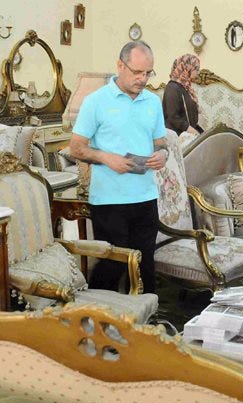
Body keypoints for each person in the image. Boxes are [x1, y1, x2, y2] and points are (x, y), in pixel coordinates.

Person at [69, 41, 167, 294]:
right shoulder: (95, 102)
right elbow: (76, 148)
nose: (143, 79)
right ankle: (95, 311)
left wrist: (162, 154)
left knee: (145, 266)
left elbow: (160, 142)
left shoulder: (153, 102)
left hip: (145, 197)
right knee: (113, 265)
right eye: (137, 72)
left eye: (148, 73)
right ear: (120, 66)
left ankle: (148, 316)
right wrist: (106, 158)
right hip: (109, 200)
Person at [162, 54, 204, 135]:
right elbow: (173, 117)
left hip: (187, 133)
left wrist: (199, 132)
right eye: (196, 69)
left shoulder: (185, 87)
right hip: (177, 135)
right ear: (186, 68)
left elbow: (189, 117)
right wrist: (193, 131)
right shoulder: (172, 88)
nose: (198, 72)